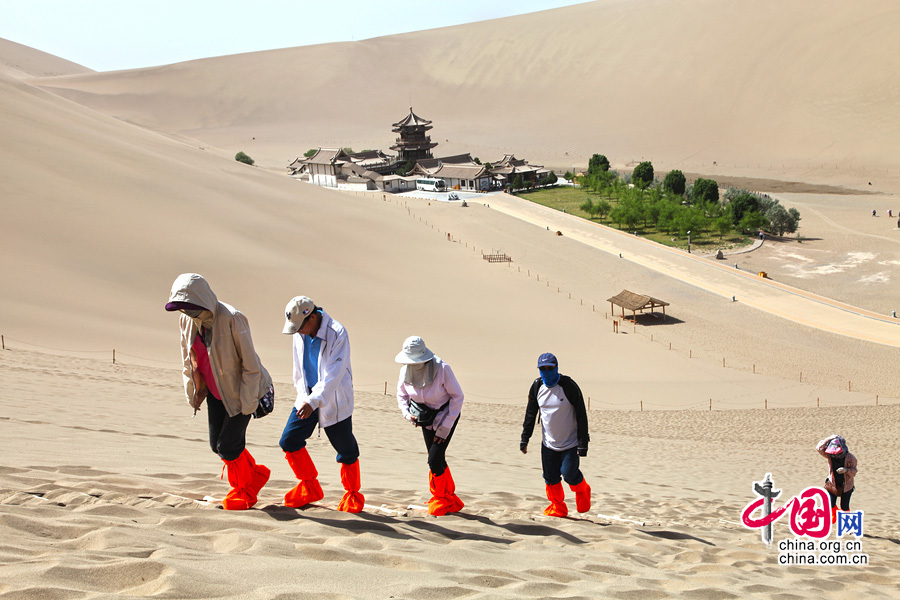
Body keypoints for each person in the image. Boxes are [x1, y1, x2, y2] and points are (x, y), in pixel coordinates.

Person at [165, 273, 273, 510]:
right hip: (215, 392)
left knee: (228, 446)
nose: (187, 313)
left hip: (242, 392)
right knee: (217, 445)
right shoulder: (186, 320)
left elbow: (251, 366)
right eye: (182, 309)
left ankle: (243, 491)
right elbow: (187, 359)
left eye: (190, 308)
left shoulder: (232, 318)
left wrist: (246, 405)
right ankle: (255, 476)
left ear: (202, 301)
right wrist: (192, 393)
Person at [279, 296, 364, 512]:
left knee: (346, 449)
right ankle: (310, 487)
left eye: (300, 327)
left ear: (312, 317)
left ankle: (352, 495)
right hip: (306, 397)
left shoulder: (337, 333)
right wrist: (304, 395)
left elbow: (333, 375)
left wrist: (314, 400)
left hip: (332, 400)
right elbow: (299, 367)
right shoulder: (300, 332)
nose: (298, 332)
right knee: (289, 440)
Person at [395, 336, 465, 515]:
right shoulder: (405, 372)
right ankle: (448, 497)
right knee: (437, 459)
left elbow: (458, 397)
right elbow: (401, 395)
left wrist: (445, 428)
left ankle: (441, 500)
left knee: (433, 459)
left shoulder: (442, 369)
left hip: (446, 416)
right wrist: (406, 413)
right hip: (424, 420)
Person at [520, 353, 591, 517]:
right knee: (550, 478)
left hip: (570, 444)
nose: (546, 371)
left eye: (550, 368)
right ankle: (558, 507)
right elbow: (531, 414)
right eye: (542, 368)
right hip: (549, 445)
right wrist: (525, 438)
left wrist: (583, 443)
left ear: (556, 367)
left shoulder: (568, 386)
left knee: (569, 474)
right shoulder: (537, 386)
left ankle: (583, 489)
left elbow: (581, 414)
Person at [816, 434, 858, 518]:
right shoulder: (829, 455)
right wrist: (829, 438)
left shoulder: (851, 458)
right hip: (832, 483)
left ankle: (846, 525)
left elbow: (854, 472)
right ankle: (835, 514)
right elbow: (819, 448)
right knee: (830, 504)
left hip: (846, 486)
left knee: (844, 506)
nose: (835, 456)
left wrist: (845, 470)